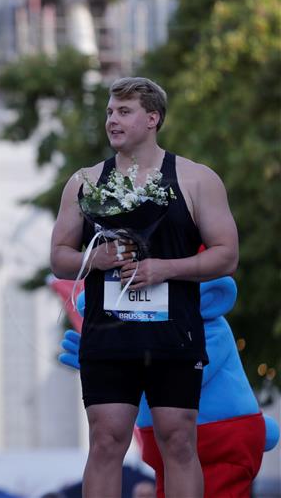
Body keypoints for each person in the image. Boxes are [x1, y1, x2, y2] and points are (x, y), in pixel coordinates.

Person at [50, 77, 238, 498]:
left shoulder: (195, 179)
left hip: (173, 334)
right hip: (109, 335)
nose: (112, 120)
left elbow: (227, 254)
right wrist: (94, 259)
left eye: (124, 111)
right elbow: (59, 255)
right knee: (105, 441)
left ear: (152, 118)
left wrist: (166, 269)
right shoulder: (84, 181)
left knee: (177, 440)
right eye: (109, 112)